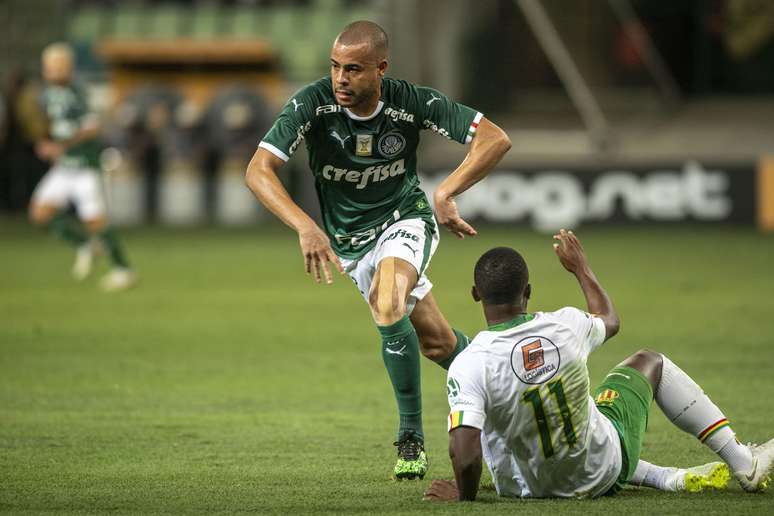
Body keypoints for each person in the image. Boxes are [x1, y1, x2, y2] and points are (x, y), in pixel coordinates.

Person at [245, 21, 511, 479]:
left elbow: (494, 138)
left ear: (380, 69)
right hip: (350, 244)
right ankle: (513, 387)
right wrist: (305, 226)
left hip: (403, 219)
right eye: (334, 67)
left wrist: (446, 192)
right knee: (436, 344)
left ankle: (410, 436)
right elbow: (258, 169)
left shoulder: (412, 102)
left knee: (387, 303)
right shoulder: (313, 103)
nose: (340, 79)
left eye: (353, 69)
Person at [424, 230, 773, 501]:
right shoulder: (566, 325)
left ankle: (665, 477)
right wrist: (580, 268)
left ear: (476, 294)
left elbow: (466, 452)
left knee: (494, 414)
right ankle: (744, 462)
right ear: (527, 290)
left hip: (524, 488)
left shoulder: (469, 363)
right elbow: (609, 319)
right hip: (600, 470)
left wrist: (464, 496)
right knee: (649, 362)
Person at [29, 43, 136, 291]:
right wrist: (45, 144)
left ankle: (123, 269)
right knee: (39, 213)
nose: (53, 71)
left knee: (95, 221)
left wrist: (63, 145)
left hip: (85, 168)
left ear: (68, 67)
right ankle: (85, 246)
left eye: (58, 66)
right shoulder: (46, 95)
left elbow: (92, 127)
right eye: (49, 67)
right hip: (63, 168)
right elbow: (50, 127)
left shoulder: (78, 93)